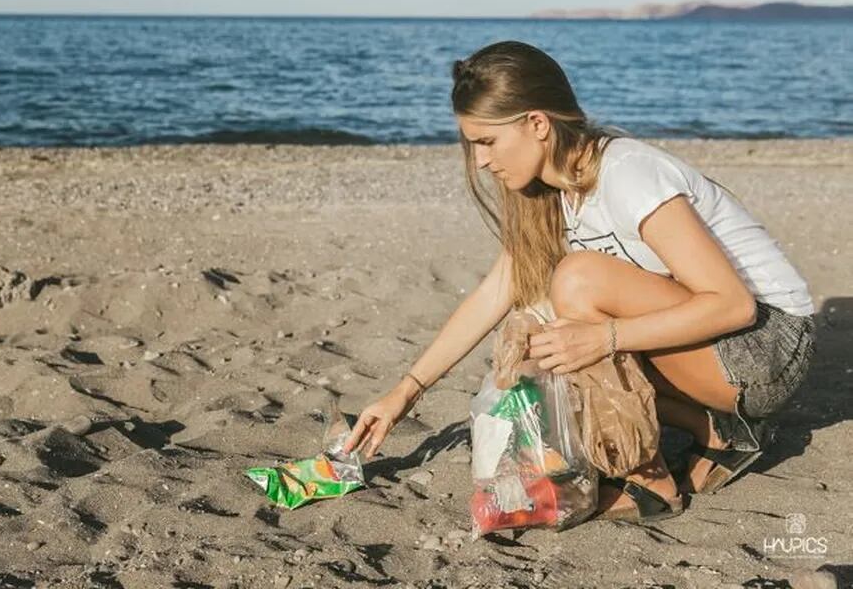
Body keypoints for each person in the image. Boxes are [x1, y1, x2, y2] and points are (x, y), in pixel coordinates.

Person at [342, 40, 816, 522]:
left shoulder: (627, 173)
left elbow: (734, 306)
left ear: (538, 124)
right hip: (712, 344)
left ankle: (649, 480)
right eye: (473, 145)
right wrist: (405, 391)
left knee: (578, 283)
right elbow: (493, 295)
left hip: (767, 347)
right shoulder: (542, 193)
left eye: (487, 141)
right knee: (545, 337)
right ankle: (716, 430)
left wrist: (604, 337)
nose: (481, 160)